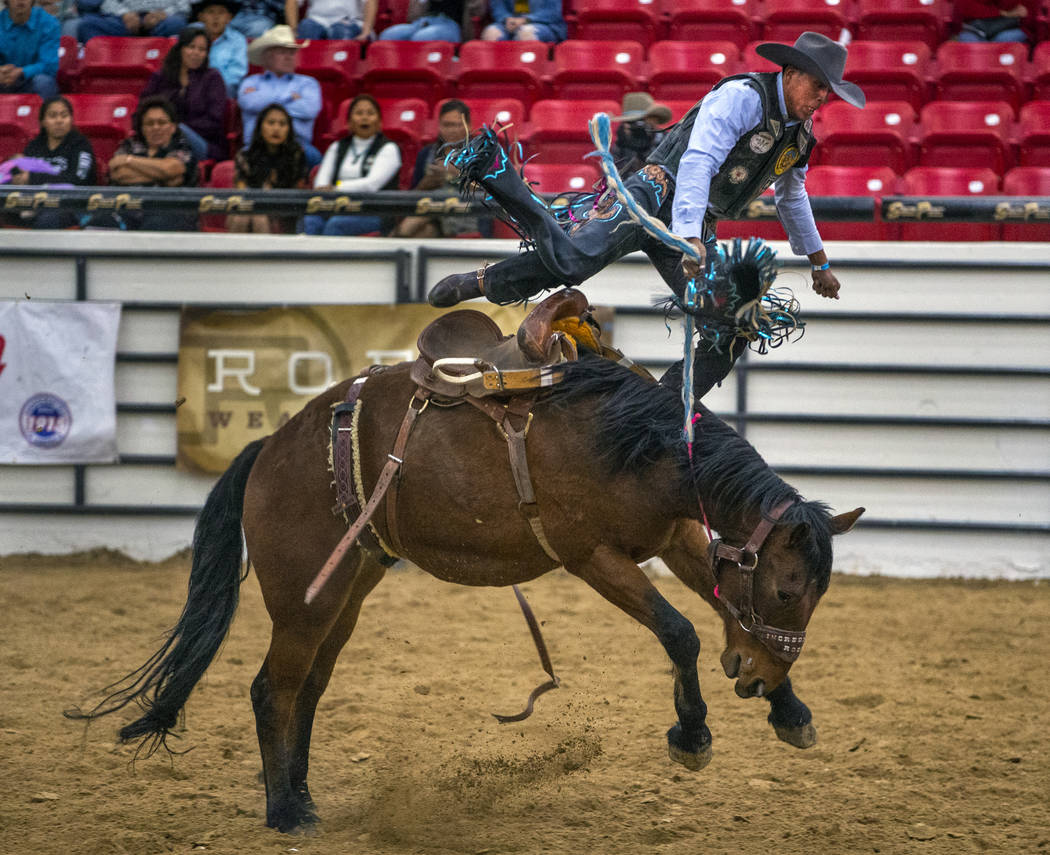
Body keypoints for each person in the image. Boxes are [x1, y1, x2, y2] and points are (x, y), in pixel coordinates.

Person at [428, 32, 866, 398]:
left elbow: (792, 198)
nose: (822, 99)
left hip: (693, 223)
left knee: (734, 322)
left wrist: (818, 262)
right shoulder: (742, 97)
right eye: (817, 86)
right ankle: (483, 278)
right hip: (653, 196)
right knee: (574, 261)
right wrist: (691, 238)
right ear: (790, 75)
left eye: (828, 91)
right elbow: (697, 161)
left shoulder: (800, 139)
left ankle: (664, 405)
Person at [91, 95, 199, 230]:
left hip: (170, 211)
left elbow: (170, 169)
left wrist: (129, 160)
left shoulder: (182, 146)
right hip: (127, 208)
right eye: (149, 123)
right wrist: (160, 175)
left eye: (162, 122)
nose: (156, 127)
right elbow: (118, 173)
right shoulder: (130, 145)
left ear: (172, 127)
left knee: (154, 226)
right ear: (142, 128)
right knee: (98, 222)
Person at [301, 93, 401, 236]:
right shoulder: (337, 147)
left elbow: (371, 185)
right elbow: (321, 182)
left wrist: (336, 188)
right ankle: (305, 258)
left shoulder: (389, 148)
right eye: (359, 113)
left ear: (380, 122)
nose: (364, 117)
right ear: (348, 122)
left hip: (374, 211)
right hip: (337, 205)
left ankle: (326, 259)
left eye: (370, 113)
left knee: (337, 224)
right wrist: (326, 189)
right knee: (310, 220)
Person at [393, 98, 486, 238]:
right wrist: (426, 184)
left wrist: (456, 175)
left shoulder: (481, 154)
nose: (452, 131)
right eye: (446, 125)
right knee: (425, 231)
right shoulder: (426, 154)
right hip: (431, 208)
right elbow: (414, 194)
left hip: (466, 212)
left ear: (469, 126)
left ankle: (385, 252)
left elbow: (489, 191)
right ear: (439, 126)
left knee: (408, 227)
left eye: (457, 125)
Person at [5, 95, 96, 228]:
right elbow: (22, 171)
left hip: (71, 205)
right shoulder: (34, 146)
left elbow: (78, 180)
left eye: (64, 115)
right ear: (43, 121)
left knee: (48, 218)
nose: (59, 121)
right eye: (53, 116)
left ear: (71, 119)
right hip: (31, 202)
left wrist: (33, 178)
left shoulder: (81, 145)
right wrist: (17, 175)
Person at [237, 25, 322, 167]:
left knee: (314, 157)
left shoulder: (308, 83)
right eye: (282, 52)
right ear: (267, 57)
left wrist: (265, 101)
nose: (289, 57)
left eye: (292, 52)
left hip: (298, 146)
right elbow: (249, 103)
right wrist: (290, 98)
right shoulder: (249, 82)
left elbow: (309, 109)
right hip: (256, 147)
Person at [140, 27, 228, 161]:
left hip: (202, 141)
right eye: (191, 47)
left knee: (172, 129)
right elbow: (143, 110)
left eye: (202, 49)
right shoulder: (160, 77)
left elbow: (214, 121)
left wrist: (174, 129)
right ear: (180, 48)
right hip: (159, 137)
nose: (196, 53)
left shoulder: (212, 77)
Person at [226, 102, 308, 233]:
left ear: (289, 129)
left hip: (285, 209)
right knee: (242, 216)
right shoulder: (245, 156)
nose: (276, 129)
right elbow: (241, 191)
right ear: (260, 127)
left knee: (259, 217)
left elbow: (297, 193)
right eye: (271, 123)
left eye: (282, 124)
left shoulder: (297, 155)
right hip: (250, 206)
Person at [0, 0, 59, 99]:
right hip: (3, 81)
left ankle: (43, 113)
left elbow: (50, 66)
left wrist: (22, 71)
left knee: (43, 82)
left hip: (31, 81)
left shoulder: (49, 23)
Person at [190, 0, 247, 97]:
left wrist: (211, 86)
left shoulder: (238, 40)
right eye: (210, 12)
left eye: (221, 12)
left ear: (229, 17)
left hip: (223, 92)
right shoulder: (190, 35)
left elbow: (236, 75)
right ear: (201, 17)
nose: (216, 17)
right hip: (191, 89)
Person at [610, 91, 672, 176]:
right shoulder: (619, 146)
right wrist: (626, 146)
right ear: (624, 124)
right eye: (632, 122)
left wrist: (646, 150)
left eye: (642, 122)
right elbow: (612, 181)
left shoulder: (669, 143)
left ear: (655, 120)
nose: (638, 127)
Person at [78, 0, 189, 40]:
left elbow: (184, 6)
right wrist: (124, 14)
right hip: (124, 20)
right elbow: (107, 2)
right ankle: (103, 70)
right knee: (88, 25)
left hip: (162, 21)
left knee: (176, 24)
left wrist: (163, 14)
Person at [378, 0, 481, 42]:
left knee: (422, 37)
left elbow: (479, 10)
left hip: (450, 24)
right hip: (422, 22)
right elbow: (412, 16)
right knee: (389, 35)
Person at [480, 0, 565, 42]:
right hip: (509, 22)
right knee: (491, 33)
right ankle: (496, 73)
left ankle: (524, 73)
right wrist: (506, 19)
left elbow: (552, 12)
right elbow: (498, 8)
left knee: (526, 33)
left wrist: (526, 20)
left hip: (544, 24)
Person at [287, 0, 376, 40]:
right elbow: (292, 2)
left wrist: (366, 31)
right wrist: (293, 29)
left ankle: (339, 73)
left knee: (340, 30)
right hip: (315, 19)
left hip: (348, 21)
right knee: (306, 27)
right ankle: (304, 73)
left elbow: (370, 2)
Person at [954, 0, 1035, 43]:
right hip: (974, 29)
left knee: (1002, 45)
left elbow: (1028, 16)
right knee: (973, 46)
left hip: (1007, 28)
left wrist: (1022, 14)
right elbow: (965, 8)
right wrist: (1002, 13)